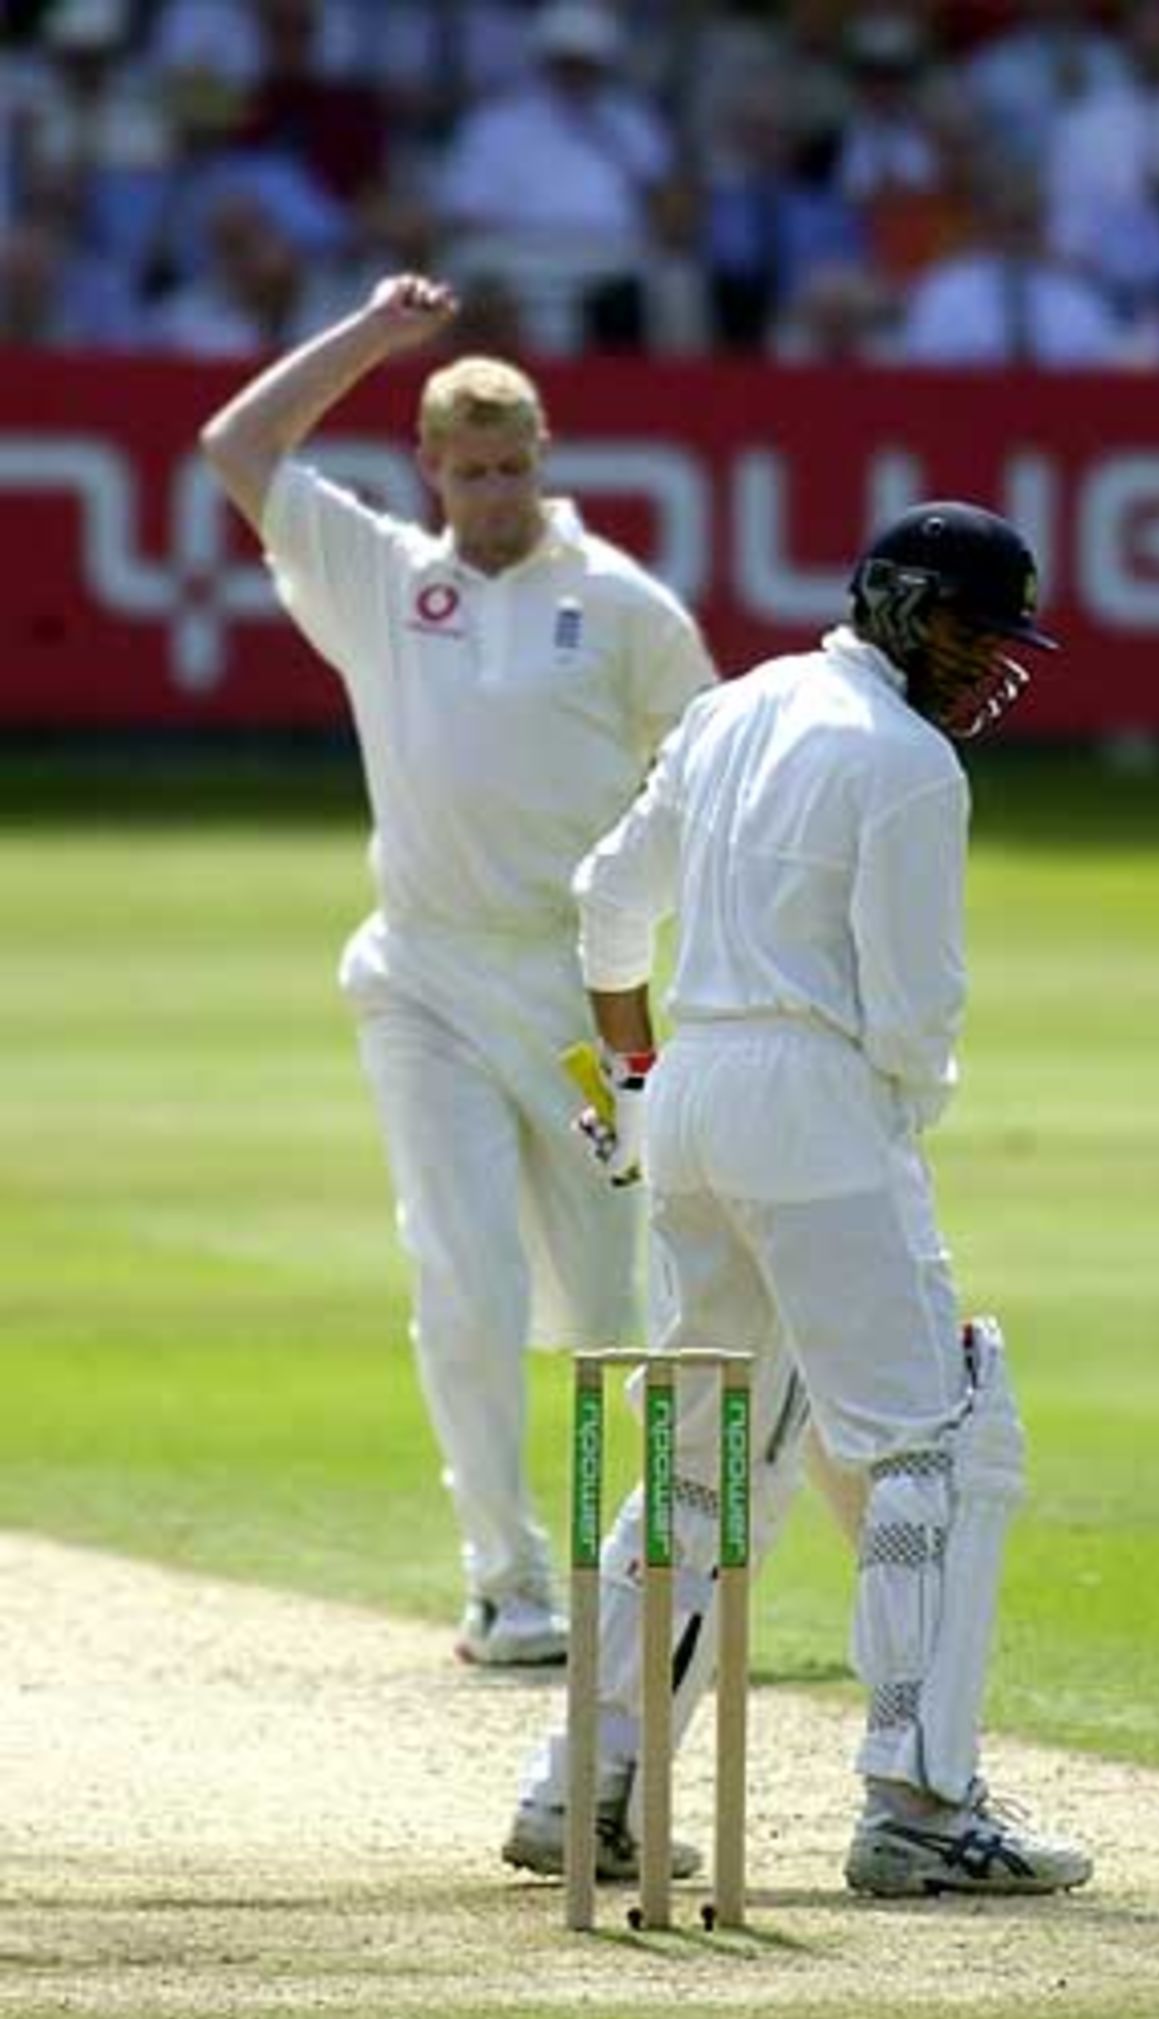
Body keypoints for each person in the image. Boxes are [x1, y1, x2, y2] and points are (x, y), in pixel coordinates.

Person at [504, 501, 1094, 1897]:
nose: (985, 667)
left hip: (697, 1100)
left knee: (703, 1461)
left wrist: (639, 1089)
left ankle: (584, 1790)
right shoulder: (907, 765)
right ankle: (922, 1810)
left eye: (999, 643)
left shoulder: (735, 707)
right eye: (968, 632)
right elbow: (915, 1016)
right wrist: (886, 1122)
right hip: (819, 1107)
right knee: (936, 1448)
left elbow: (606, 898)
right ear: (895, 603)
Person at [199, 273, 716, 1667]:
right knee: (466, 1277)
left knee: (607, 1306)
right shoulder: (381, 579)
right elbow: (237, 447)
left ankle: (642, 1575)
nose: (492, 494)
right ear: (429, 466)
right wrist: (375, 333)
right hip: (420, 979)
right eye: (468, 471)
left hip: (574, 995)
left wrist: (665, 927)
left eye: (511, 469)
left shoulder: (622, 605)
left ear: (543, 457)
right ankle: (507, 1581)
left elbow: (710, 773)